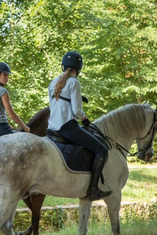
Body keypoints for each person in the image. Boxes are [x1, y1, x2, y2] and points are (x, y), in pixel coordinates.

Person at [47, 51, 112, 201]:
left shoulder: (52, 82)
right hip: (67, 128)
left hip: (51, 128)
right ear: (78, 68)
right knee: (102, 150)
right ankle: (94, 189)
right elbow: (76, 111)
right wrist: (84, 118)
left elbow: (53, 107)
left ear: (63, 66)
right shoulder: (74, 82)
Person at [0, 62, 30, 139]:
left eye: (7, 75)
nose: (7, 77)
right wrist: (25, 127)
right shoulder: (2, 91)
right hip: (1, 129)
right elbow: (11, 114)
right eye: (4, 75)